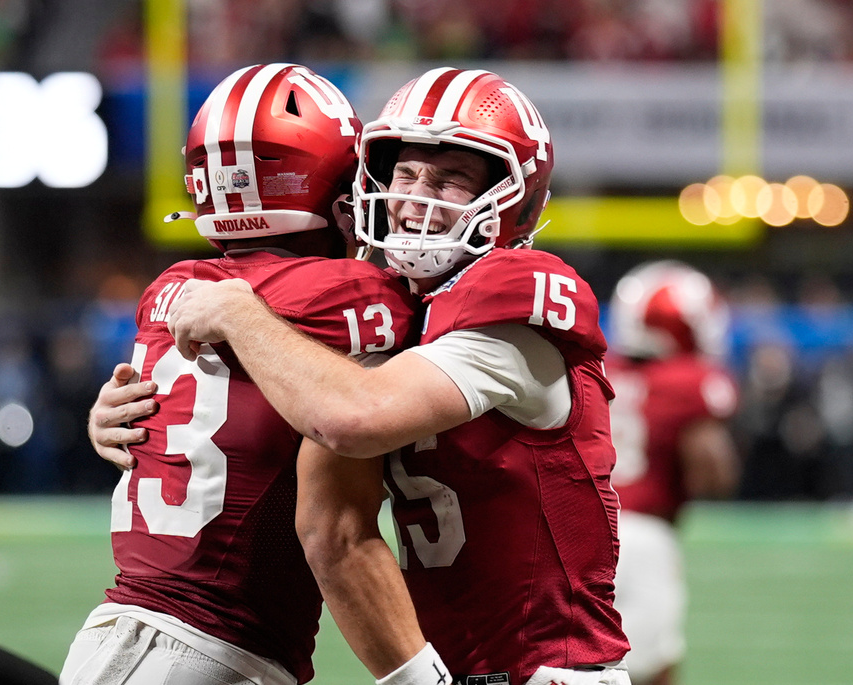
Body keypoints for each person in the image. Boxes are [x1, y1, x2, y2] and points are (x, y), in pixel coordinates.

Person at [165, 67, 632, 685]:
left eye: (452, 179)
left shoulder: (513, 296)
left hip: (550, 671)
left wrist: (238, 312)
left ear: (514, 199)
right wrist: (132, 408)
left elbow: (351, 417)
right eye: (406, 174)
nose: (416, 197)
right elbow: (326, 512)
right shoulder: (404, 313)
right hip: (454, 669)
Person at [61, 63, 448, 685]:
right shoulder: (354, 293)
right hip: (199, 646)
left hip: (152, 636)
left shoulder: (173, 288)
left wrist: (101, 416)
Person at [604, 261, 741, 685]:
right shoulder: (690, 380)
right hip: (645, 534)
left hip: (581, 530)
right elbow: (713, 477)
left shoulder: (600, 370)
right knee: (652, 671)